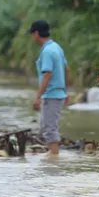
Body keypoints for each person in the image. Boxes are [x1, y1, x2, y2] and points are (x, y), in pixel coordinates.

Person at [29, 20, 69, 156]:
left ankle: (54, 156)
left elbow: (47, 74)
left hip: (51, 94)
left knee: (50, 128)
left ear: (36, 34)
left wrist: (38, 97)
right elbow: (66, 69)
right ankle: (52, 154)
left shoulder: (47, 51)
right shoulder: (56, 47)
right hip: (58, 93)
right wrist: (66, 90)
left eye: (32, 34)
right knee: (47, 125)